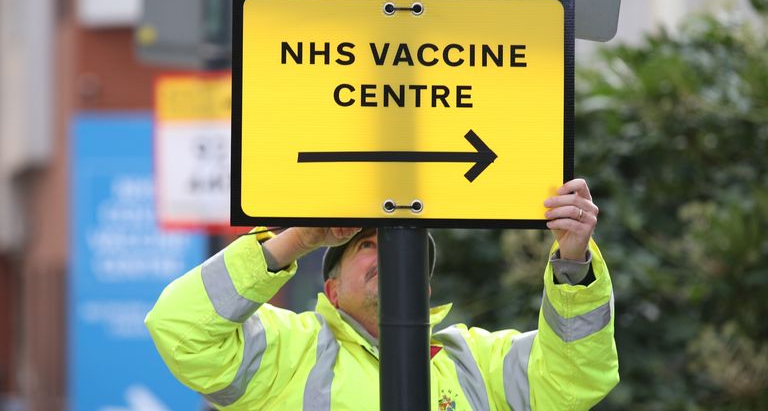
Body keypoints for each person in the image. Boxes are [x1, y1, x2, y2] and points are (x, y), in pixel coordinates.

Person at [146, 178, 618, 410]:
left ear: (426, 288)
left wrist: (573, 262)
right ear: (331, 288)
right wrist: (295, 239)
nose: (388, 258)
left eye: (406, 254)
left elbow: (574, 382)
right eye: (368, 246)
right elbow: (179, 330)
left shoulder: (473, 360)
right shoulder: (286, 347)